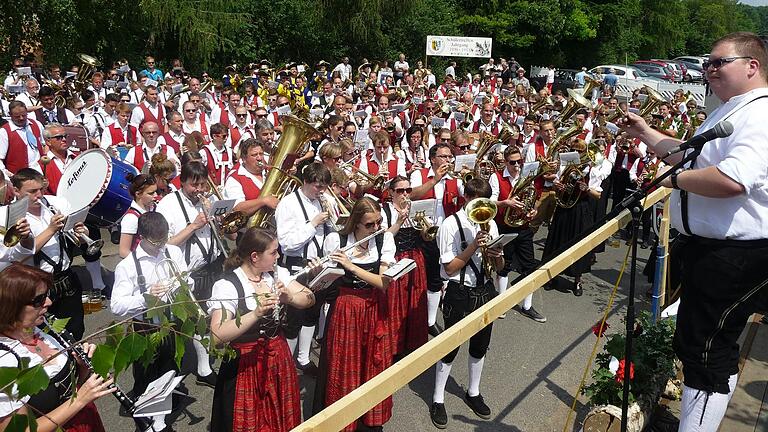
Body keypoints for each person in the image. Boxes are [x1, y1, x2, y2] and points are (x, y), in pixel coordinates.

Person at [619, 32, 768, 432]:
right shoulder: (731, 108)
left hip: (734, 254)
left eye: (719, 62)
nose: (709, 69)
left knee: (703, 352)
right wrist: (646, 133)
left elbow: (733, 179)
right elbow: (689, 151)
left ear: (752, 66)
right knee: (708, 347)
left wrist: (674, 181)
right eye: (707, 63)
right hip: (714, 249)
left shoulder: (759, 114)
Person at [208, 227, 315, 432]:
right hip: (245, 364)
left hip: (278, 357)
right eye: (273, 252)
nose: (278, 256)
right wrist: (255, 314)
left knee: (280, 417)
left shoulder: (275, 274)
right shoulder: (228, 285)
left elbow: (309, 298)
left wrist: (290, 298)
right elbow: (217, 335)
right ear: (255, 256)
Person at [0, 263, 113, 432]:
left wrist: (83, 370)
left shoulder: (45, 331)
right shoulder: (5, 363)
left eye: (47, 295)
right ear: (12, 307)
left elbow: (69, 393)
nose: (49, 302)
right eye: (38, 300)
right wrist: (81, 399)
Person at [316, 197, 396, 431]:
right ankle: (344, 420)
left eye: (379, 222)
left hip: (375, 306)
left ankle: (371, 418)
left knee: (374, 361)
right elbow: (324, 283)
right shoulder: (336, 240)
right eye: (369, 225)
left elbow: (383, 282)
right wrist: (321, 269)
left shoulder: (385, 239)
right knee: (345, 364)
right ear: (356, 224)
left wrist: (351, 266)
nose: (376, 228)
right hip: (347, 309)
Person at [430, 178, 504, 429]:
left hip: (484, 289)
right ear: (466, 200)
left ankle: (473, 392)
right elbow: (449, 269)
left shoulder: (490, 223)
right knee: (450, 348)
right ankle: (438, 398)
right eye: (477, 203)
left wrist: (497, 256)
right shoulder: (450, 225)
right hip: (459, 291)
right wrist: (474, 245)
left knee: (480, 345)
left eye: (487, 204)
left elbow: (500, 267)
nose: (483, 210)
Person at [110, 211, 192, 432]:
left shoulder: (172, 251)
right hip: (146, 328)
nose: (161, 246)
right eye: (156, 242)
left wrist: (177, 286)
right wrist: (147, 298)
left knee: (169, 372)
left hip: (172, 324)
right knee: (146, 376)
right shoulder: (127, 266)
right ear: (142, 238)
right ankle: (147, 421)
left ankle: (160, 420)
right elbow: (117, 307)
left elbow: (187, 279)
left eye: (164, 239)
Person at [156, 161, 221, 388]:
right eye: (194, 185)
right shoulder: (167, 206)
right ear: (182, 182)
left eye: (203, 184)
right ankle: (203, 370)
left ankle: (209, 356)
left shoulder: (205, 200)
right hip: (189, 271)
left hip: (212, 265)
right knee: (198, 320)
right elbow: (164, 245)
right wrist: (193, 226)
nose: (200, 190)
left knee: (212, 313)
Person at [13, 168, 90, 339]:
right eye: (32, 192)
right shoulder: (10, 216)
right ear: (16, 191)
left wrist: (83, 233)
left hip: (66, 279)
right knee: (44, 336)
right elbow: (17, 257)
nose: (39, 195)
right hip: (36, 285)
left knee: (75, 332)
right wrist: (51, 229)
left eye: (41, 189)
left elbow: (75, 239)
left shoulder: (57, 203)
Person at [274, 162, 332, 374]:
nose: (322, 191)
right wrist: (313, 223)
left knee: (312, 313)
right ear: (306, 181)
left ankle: (303, 357)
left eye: (324, 187)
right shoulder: (288, 204)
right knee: (293, 319)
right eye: (318, 186)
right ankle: (287, 364)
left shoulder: (319, 200)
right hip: (296, 266)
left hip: (317, 264)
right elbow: (287, 243)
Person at [410, 143, 465, 336]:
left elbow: (469, 196)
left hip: (447, 233)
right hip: (424, 233)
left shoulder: (454, 179)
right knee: (427, 276)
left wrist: (467, 178)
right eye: (443, 157)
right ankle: (423, 318)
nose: (448, 160)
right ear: (433, 159)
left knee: (440, 276)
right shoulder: (420, 174)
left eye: (450, 156)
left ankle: (431, 319)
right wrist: (435, 180)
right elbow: (412, 195)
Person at [488, 146, 544, 322]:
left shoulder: (525, 175)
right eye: (512, 163)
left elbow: (532, 199)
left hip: (523, 227)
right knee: (504, 266)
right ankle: (501, 302)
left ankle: (527, 306)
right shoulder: (496, 177)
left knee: (530, 267)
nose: (517, 166)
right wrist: (506, 203)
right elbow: (490, 203)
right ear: (505, 162)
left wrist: (533, 211)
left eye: (519, 162)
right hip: (504, 227)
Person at [541, 139, 603, 296]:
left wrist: (587, 188)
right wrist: (558, 185)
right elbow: (554, 181)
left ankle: (577, 280)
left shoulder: (592, 170)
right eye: (574, 150)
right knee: (557, 241)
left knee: (578, 245)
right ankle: (551, 276)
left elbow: (598, 195)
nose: (577, 154)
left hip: (581, 210)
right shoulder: (565, 166)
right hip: (564, 208)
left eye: (580, 151)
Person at [381, 176, 429, 355]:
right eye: (400, 191)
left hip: (415, 257)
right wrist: (400, 221)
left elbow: (425, 237)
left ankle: (413, 343)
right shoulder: (385, 210)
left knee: (415, 300)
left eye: (408, 190)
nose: (405, 194)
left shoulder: (416, 208)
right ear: (391, 192)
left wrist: (426, 229)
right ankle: (394, 347)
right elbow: (384, 237)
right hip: (396, 258)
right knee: (395, 302)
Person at [0, 101, 46, 174]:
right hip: (19, 176)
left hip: (40, 171)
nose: (21, 118)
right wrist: (7, 174)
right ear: (10, 115)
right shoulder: (4, 132)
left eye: (24, 115)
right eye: (17, 116)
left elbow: (45, 145)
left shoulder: (36, 123)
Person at [118, 174, 158, 258]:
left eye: (155, 191)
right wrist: (144, 262)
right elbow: (123, 251)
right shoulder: (131, 218)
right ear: (138, 194)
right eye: (151, 193)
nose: (155, 196)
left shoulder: (155, 207)